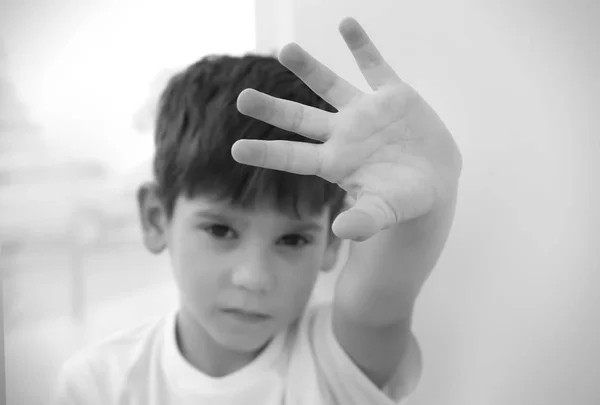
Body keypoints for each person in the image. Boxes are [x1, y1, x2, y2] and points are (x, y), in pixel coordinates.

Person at [54, 17, 462, 404]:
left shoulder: (336, 362)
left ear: (330, 242)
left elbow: (380, 300)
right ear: (157, 218)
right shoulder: (96, 384)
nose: (253, 278)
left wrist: (429, 189)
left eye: (293, 239)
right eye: (220, 230)